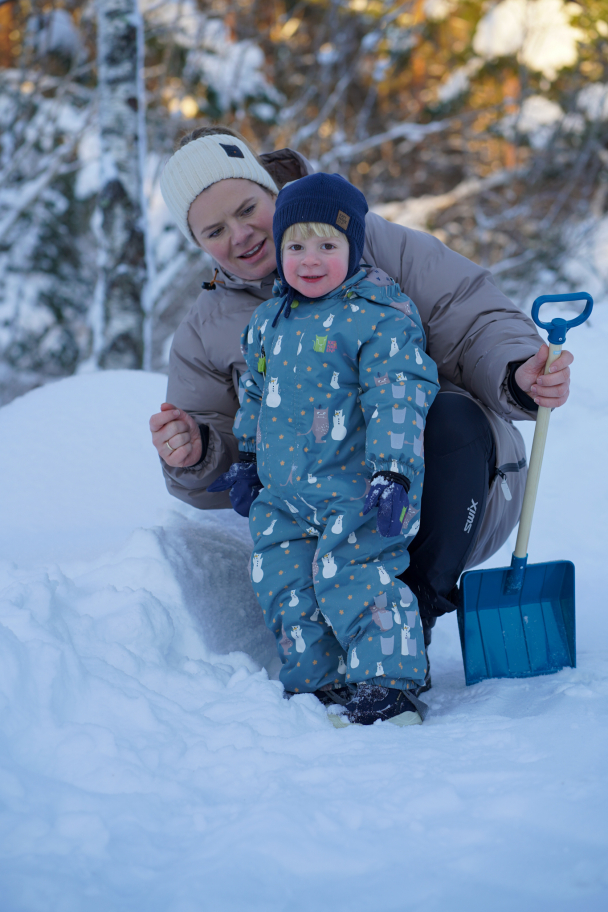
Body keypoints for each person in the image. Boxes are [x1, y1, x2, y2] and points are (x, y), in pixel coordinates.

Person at [150, 126, 574, 659]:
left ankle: (414, 608)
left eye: (246, 208)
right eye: (213, 230)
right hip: (322, 519)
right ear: (199, 245)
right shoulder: (204, 331)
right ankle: (328, 640)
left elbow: (468, 316)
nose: (239, 235)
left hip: (445, 486)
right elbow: (235, 455)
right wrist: (198, 452)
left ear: (272, 192)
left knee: (449, 416)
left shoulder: (368, 242)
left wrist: (516, 373)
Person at [206, 172, 440, 725]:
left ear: (353, 249)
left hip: (356, 489)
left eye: (327, 245)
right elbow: (256, 395)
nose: (310, 259)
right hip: (284, 494)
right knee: (284, 584)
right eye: (296, 245)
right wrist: (246, 458)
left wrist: (394, 472)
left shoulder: (380, 317)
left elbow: (397, 397)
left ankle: (390, 682)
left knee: (357, 577)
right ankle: (320, 683)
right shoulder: (268, 321)